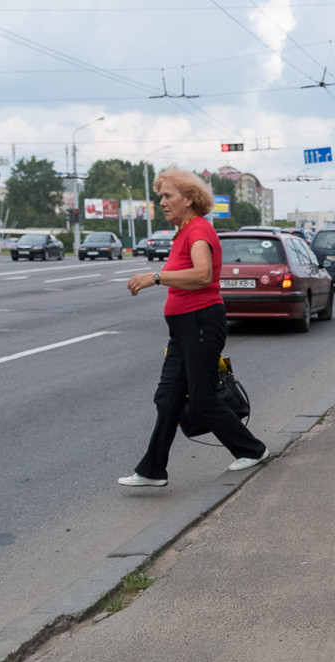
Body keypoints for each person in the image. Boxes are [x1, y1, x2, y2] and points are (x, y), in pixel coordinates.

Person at [120, 166, 269, 487]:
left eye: (168, 195)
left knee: (202, 398)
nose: (161, 202)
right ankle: (152, 470)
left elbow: (203, 275)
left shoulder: (199, 231)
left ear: (188, 199)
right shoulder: (184, 232)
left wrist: (155, 277)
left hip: (201, 321)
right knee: (168, 398)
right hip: (184, 327)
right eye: (160, 195)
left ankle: (252, 449)